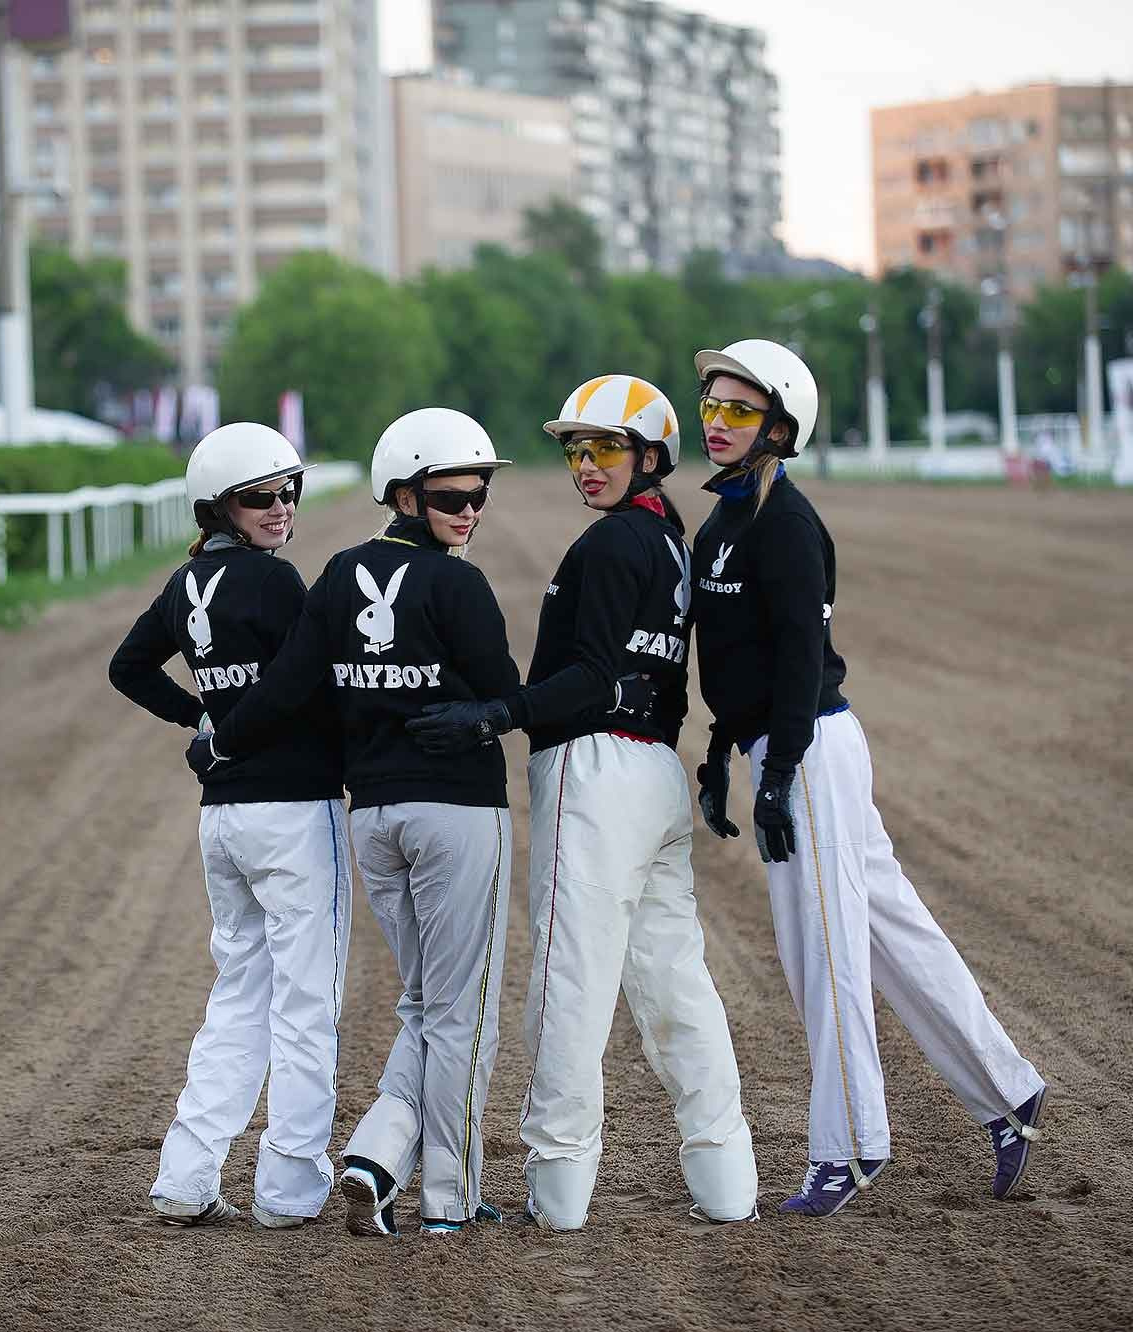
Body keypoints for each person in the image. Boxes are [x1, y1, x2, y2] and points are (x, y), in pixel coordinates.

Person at [686, 339, 1049, 1217]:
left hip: (808, 747)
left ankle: (850, 1147)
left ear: (780, 425)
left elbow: (802, 657)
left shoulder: (787, 523)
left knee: (826, 950)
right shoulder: (722, 523)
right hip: (782, 745)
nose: (717, 421)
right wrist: (718, 755)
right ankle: (1008, 1092)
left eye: (739, 409)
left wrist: (775, 778)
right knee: (890, 930)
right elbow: (739, 660)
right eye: (712, 404)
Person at [408, 375, 760, 1232]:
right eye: (576, 449)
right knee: (677, 980)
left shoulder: (608, 546)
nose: (586, 465)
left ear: (647, 456)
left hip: (596, 771)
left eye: (603, 447)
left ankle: (558, 1191)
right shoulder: (671, 540)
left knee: (573, 979)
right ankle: (726, 1180)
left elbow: (590, 677)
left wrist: (497, 713)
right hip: (657, 774)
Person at [191, 408, 520, 1237]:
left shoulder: (336, 575)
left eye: (479, 495)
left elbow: (288, 688)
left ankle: (376, 1156)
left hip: (373, 818)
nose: (470, 512)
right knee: (462, 1011)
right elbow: (501, 692)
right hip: (457, 813)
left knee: (425, 1002)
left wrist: (219, 740)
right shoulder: (460, 584)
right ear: (404, 494)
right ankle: (449, 1200)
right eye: (452, 497)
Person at [108, 422, 351, 1230]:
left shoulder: (185, 585)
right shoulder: (278, 584)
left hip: (225, 820)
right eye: (261, 497)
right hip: (293, 813)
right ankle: (289, 1190)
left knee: (239, 998)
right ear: (221, 508)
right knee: (306, 1003)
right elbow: (311, 685)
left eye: (288, 491)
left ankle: (185, 1177)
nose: (280, 508)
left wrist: (202, 720)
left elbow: (127, 667)